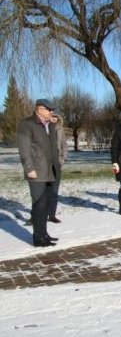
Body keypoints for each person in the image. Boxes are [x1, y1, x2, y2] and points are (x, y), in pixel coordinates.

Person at [17, 99, 61, 247]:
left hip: (50, 170)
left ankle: (44, 234)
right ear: (40, 109)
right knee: (39, 204)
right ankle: (38, 238)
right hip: (36, 171)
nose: (52, 112)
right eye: (49, 110)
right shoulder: (27, 124)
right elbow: (24, 148)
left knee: (46, 204)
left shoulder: (50, 125)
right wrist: (29, 168)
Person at [43, 113, 67, 224]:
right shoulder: (44, 128)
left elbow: (63, 145)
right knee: (42, 191)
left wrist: (62, 159)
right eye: (52, 117)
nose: (54, 119)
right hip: (45, 163)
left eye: (55, 117)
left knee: (54, 190)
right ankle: (39, 214)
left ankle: (52, 215)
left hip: (57, 163)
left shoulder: (60, 129)